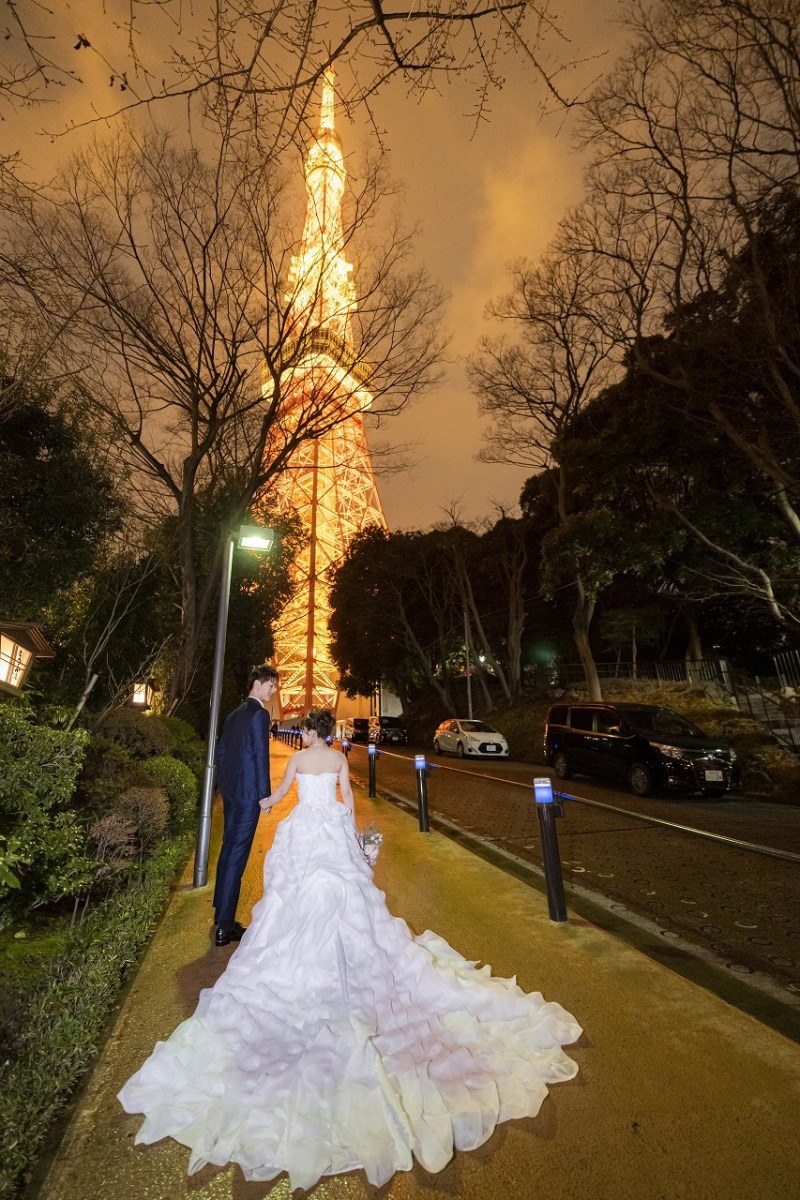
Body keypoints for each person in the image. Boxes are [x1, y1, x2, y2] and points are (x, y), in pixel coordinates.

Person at [119, 707, 581, 1192]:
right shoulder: (338, 759)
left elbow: (277, 797)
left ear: (307, 733)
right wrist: (363, 845)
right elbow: (348, 804)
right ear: (328, 731)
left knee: (290, 912)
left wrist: (260, 803)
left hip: (304, 839)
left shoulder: (300, 762)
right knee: (354, 913)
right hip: (333, 843)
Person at [211, 663, 278, 946]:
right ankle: (225, 927)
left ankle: (220, 913)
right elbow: (261, 755)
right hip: (249, 794)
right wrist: (265, 795)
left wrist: (221, 787)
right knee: (237, 855)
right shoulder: (259, 715)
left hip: (231, 792)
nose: (273, 692)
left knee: (228, 850)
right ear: (258, 684)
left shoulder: (234, 714)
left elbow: (222, 751)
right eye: (271, 686)